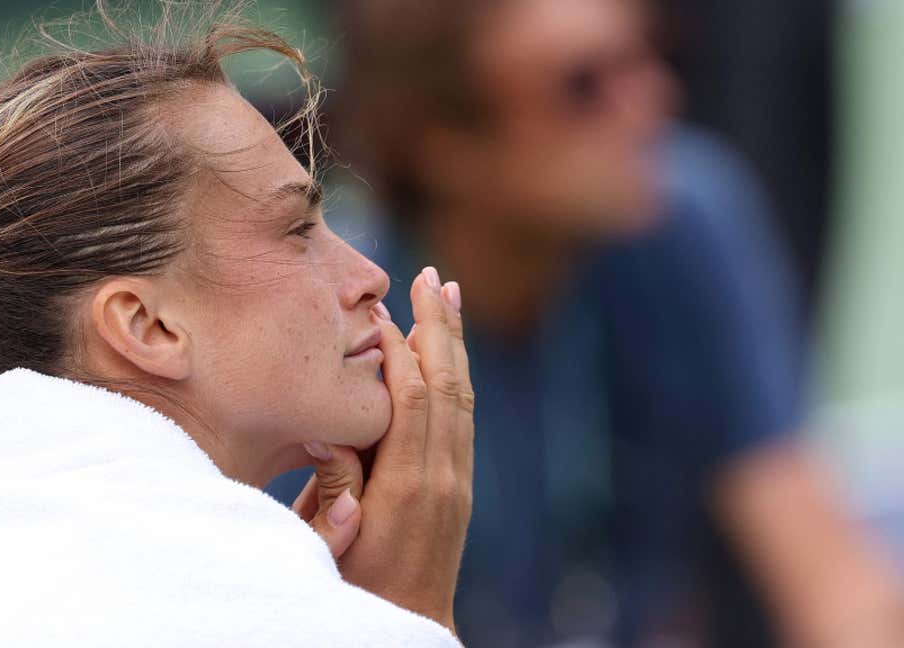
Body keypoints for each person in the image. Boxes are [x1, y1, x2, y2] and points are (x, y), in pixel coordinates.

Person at [0, 4, 474, 646]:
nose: (368, 278)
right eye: (298, 231)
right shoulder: (231, 595)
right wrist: (401, 617)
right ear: (145, 325)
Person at [323, 0, 904, 645]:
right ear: (443, 141)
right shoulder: (344, 323)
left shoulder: (683, 220)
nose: (654, 97)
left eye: (648, 54)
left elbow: (828, 576)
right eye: (582, 86)